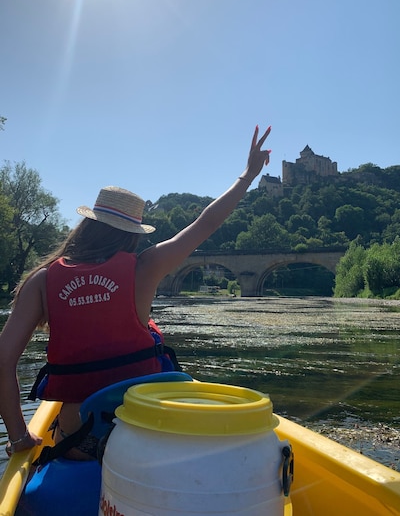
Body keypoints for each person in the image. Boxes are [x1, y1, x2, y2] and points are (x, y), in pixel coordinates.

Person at [0, 125, 271, 460]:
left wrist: (19, 437)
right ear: (132, 234)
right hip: (146, 427)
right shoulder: (145, 267)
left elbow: (2, 361)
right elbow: (206, 224)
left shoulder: (41, 281)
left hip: (79, 435)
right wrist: (247, 176)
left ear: (88, 226)